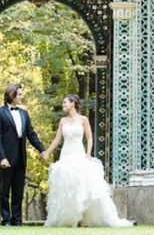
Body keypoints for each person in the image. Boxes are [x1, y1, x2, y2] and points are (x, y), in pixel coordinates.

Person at [44, 95, 133, 227]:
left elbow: (89, 138)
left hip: (78, 152)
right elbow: (57, 139)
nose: (63, 105)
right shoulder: (62, 121)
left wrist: (88, 153)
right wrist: (47, 152)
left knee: (82, 184)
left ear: (72, 104)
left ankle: (82, 217)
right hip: (66, 154)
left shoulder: (83, 119)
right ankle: (69, 217)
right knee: (67, 185)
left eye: (65, 102)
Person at [0, 83, 47, 226]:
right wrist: (1, 157)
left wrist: (42, 149)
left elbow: (31, 134)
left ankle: (17, 220)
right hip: (6, 158)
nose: (22, 96)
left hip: (21, 158)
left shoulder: (24, 114)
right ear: (12, 95)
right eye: (20, 94)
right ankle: (6, 219)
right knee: (4, 191)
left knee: (18, 191)